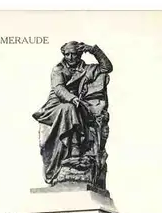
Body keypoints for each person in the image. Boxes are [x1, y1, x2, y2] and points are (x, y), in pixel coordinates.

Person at [32, 41, 113, 186]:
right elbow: (58, 89)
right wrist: (73, 99)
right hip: (56, 106)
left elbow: (107, 67)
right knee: (68, 108)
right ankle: (74, 148)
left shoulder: (87, 69)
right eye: (67, 54)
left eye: (73, 54)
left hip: (77, 105)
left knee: (78, 110)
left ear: (80, 54)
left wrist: (94, 50)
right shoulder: (58, 69)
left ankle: (81, 152)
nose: (70, 57)